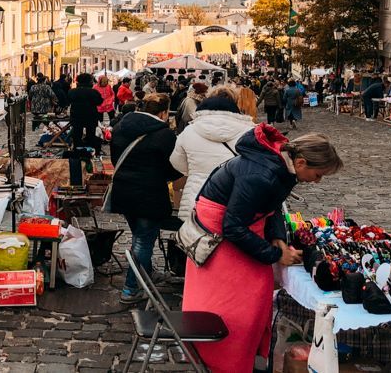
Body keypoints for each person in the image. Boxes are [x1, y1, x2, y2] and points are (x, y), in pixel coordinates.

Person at [183, 129, 343, 371]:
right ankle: (224, 361)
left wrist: (277, 237)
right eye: (318, 174)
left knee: (257, 292)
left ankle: (242, 357)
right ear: (300, 162)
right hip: (220, 239)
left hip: (233, 230)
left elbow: (273, 205)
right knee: (240, 303)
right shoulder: (261, 175)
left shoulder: (279, 166)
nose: (317, 181)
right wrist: (276, 254)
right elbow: (233, 227)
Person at [110, 94, 182, 304]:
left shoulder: (121, 126)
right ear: (163, 112)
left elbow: (115, 159)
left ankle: (146, 273)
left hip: (123, 191)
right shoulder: (165, 134)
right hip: (149, 194)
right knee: (142, 240)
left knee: (140, 236)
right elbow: (173, 168)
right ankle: (130, 289)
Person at [170, 87, 255, 222]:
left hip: (197, 199)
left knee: (196, 239)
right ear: (235, 103)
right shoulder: (250, 132)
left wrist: (196, 170)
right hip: (235, 199)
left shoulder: (190, 131)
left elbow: (177, 164)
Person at [68, 73, 103, 155]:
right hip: (90, 116)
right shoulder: (93, 92)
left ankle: (77, 150)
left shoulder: (72, 92)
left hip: (76, 116)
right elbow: (99, 102)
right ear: (89, 82)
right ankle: (90, 151)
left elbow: (68, 100)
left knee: (77, 135)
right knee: (90, 135)